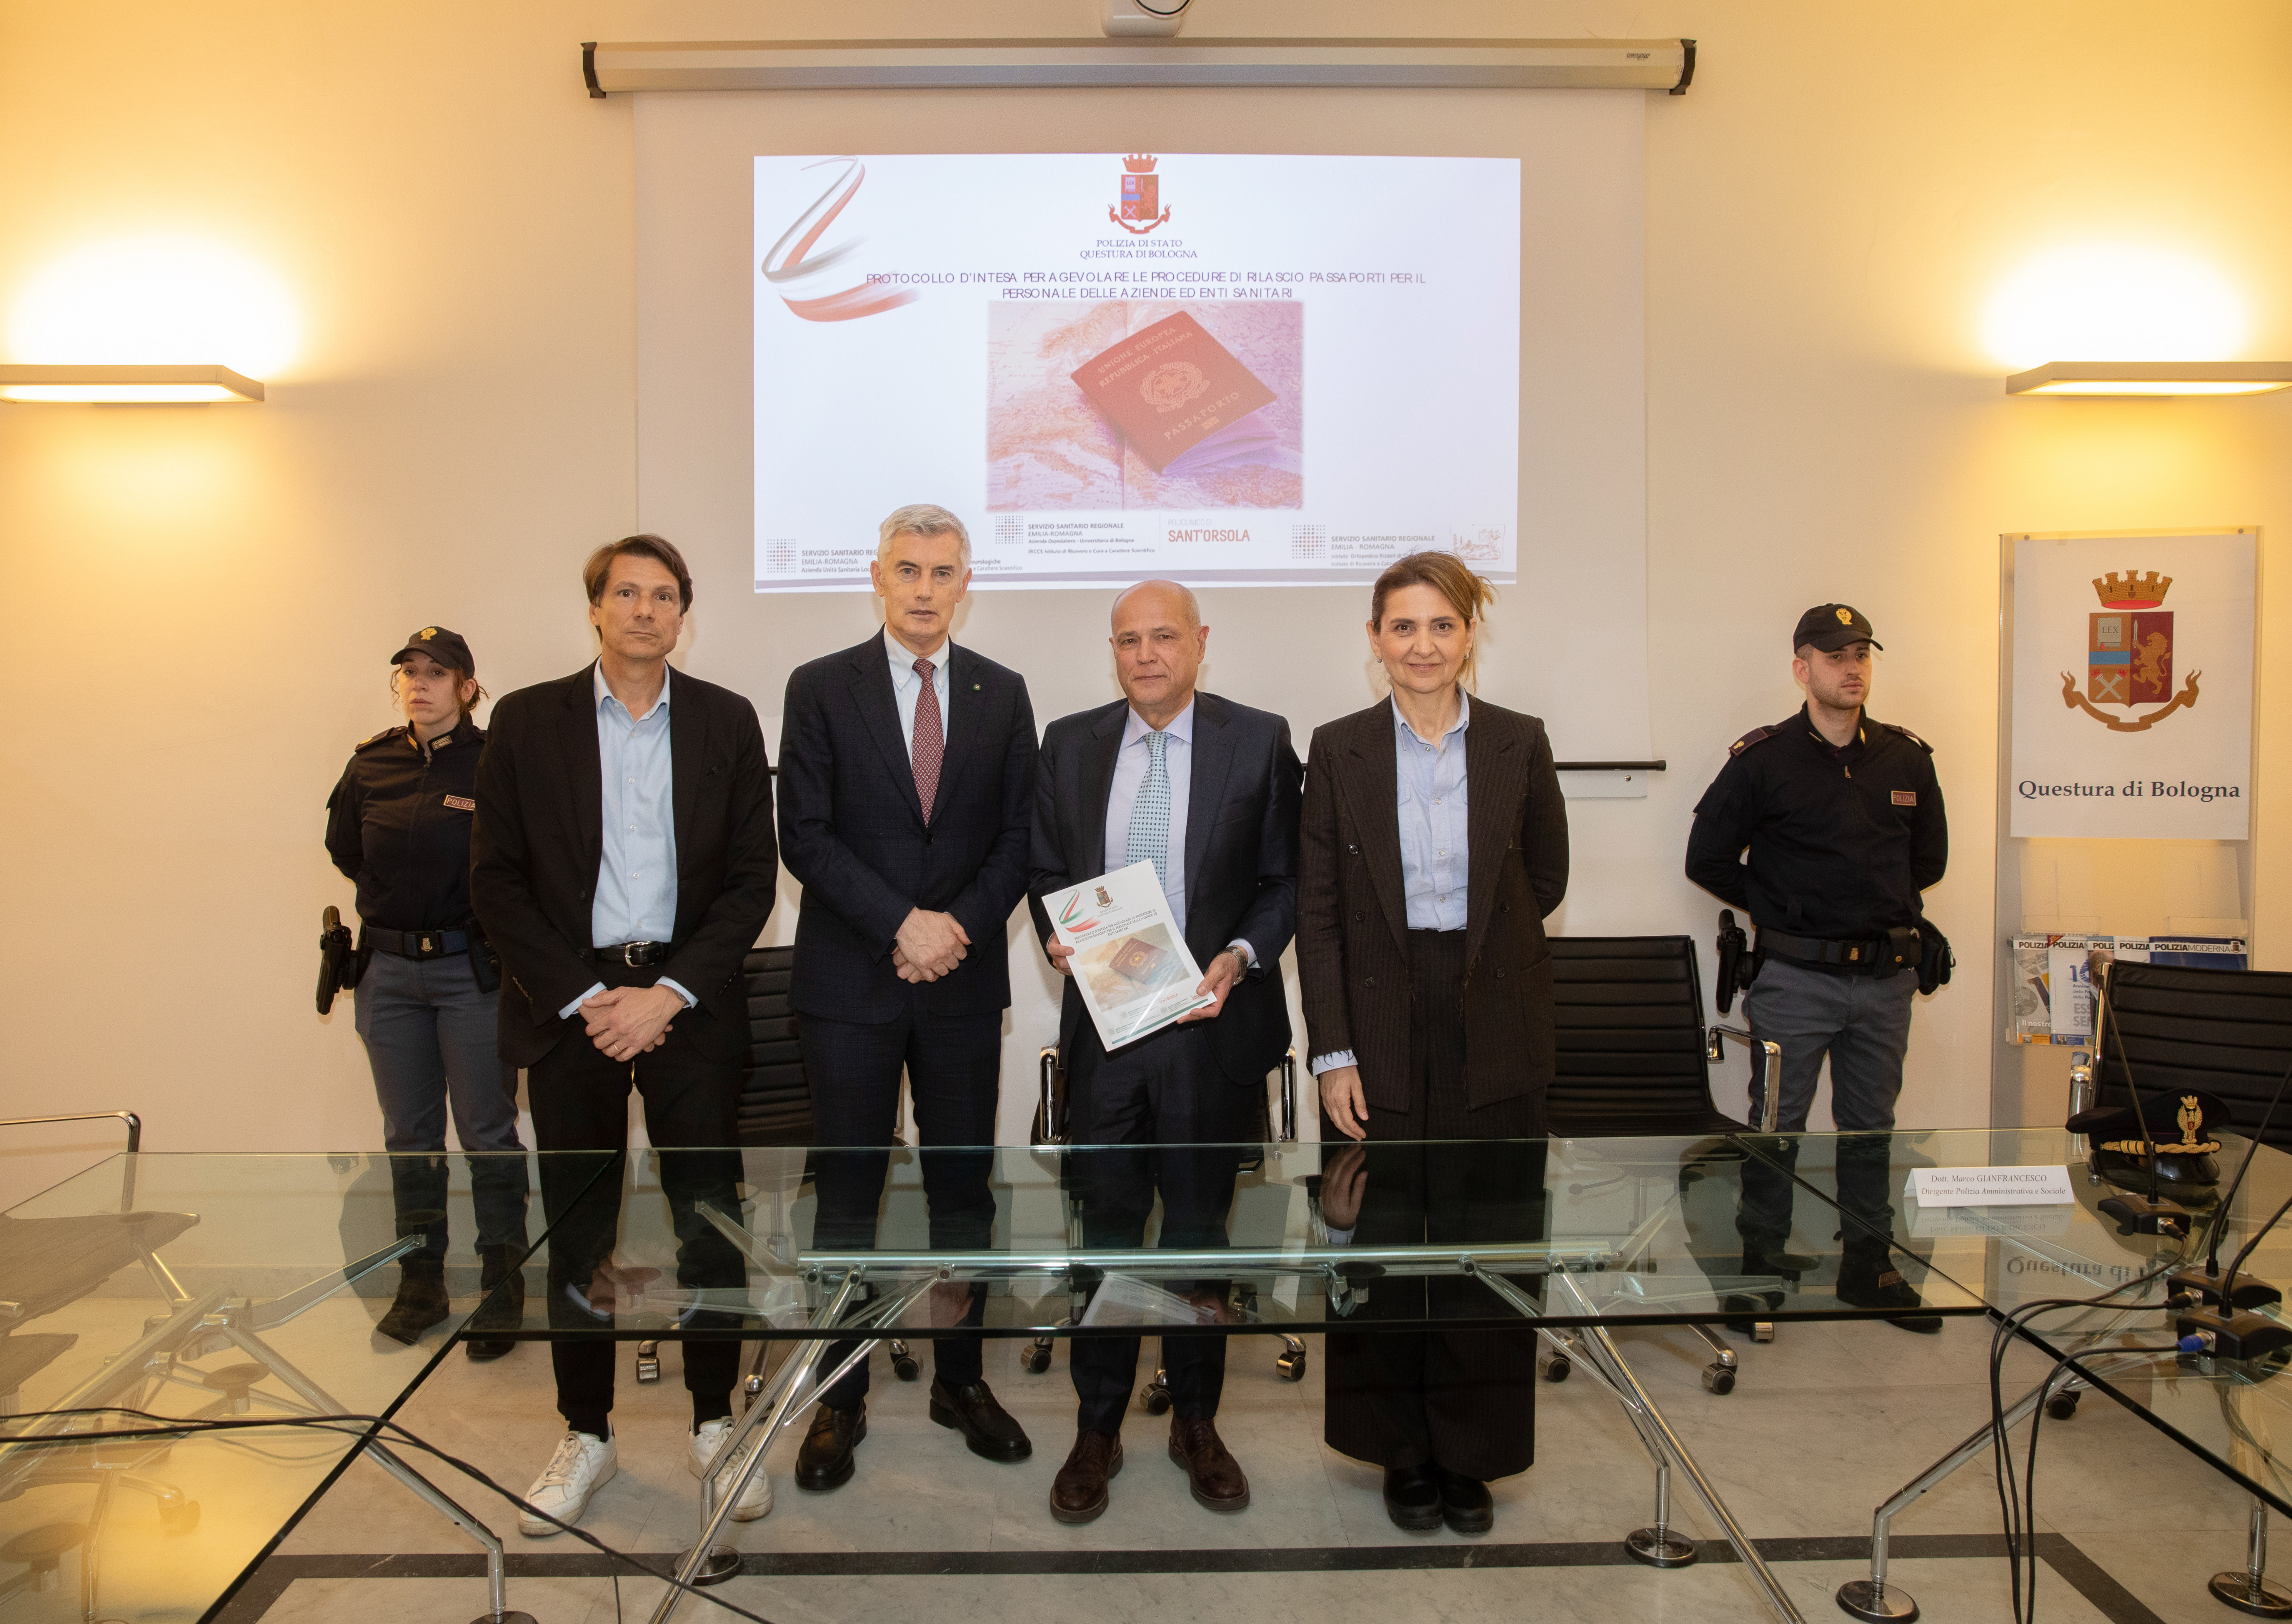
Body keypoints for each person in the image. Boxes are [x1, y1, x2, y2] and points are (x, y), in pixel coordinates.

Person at [470, 534, 780, 1535]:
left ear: (684, 614)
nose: (647, 611)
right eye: (627, 593)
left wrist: (669, 992)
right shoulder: (527, 721)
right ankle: (587, 1434)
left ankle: (714, 1424)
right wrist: (586, 996)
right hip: (575, 1010)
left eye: (665, 596)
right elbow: (495, 881)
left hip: (688, 1004)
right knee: (579, 1231)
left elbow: (751, 881)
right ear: (596, 609)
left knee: (710, 1224)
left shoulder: (727, 720)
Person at [1296, 551, 1567, 1537]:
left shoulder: (1518, 741)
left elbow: (1545, 877)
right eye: (1403, 627)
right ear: (1375, 640)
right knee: (1378, 1243)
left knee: (1485, 1244)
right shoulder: (1338, 749)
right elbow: (1318, 913)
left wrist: (1476, 961)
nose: (1423, 646)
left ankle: (1470, 1451)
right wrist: (1334, 1052)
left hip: (1493, 1014)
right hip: (1376, 1014)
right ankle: (1399, 1452)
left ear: (1469, 634)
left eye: (1441, 626)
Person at [776, 504, 1039, 1489]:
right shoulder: (819, 686)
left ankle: (959, 1382)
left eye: (942, 572)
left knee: (962, 1193)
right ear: (876, 576)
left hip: (962, 981)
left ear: (966, 583)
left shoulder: (1001, 692)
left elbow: (1019, 837)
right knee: (847, 1196)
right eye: (907, 570)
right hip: (851, 981)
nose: (924, 589)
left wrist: (953, 928)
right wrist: (902, 925)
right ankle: (838, 1398)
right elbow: (804, 834)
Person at [1031, 579, 1301, 1526]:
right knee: (1104, 1236)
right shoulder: (1069, 742)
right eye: (1128, 640)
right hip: (1109, 1034)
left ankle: (1196, 1422)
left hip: (1208, 1028)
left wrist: (1239, 956)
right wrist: (1055, 935)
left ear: (1199, 641)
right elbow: (1045, 869)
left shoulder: (1257, 739)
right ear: (1112, 651)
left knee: (1197, 1238)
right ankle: (1097, 1427)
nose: (1146, 655)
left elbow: (1285, 880)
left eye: (1163, 637)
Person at [1684, 603, 1949, 1333]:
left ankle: (1870, 1267)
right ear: (1803, 670)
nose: (1852, 668)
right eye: (1836, 657)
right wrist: (1782, 904)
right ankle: (1760, 1264)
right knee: (1776, 1127)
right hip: (1796, 979)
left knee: (1870, 1128)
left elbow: (1928, 861)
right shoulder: (1764, 761)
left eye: (1862, 654)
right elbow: (1706, 859)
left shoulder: (1905, 759)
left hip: (1884, 981)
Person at [325, 626, 528, 1360]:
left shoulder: (495, 762)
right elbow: (347, 850)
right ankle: (422, 1286)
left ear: (468, 689)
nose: (420, 683)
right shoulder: (371, 763)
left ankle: (503, 1287)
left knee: (487, 1132)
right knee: (408, 1136)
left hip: (468, 972)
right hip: (388, 975)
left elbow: (522, 861)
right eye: (409, 672)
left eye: (437, 673)